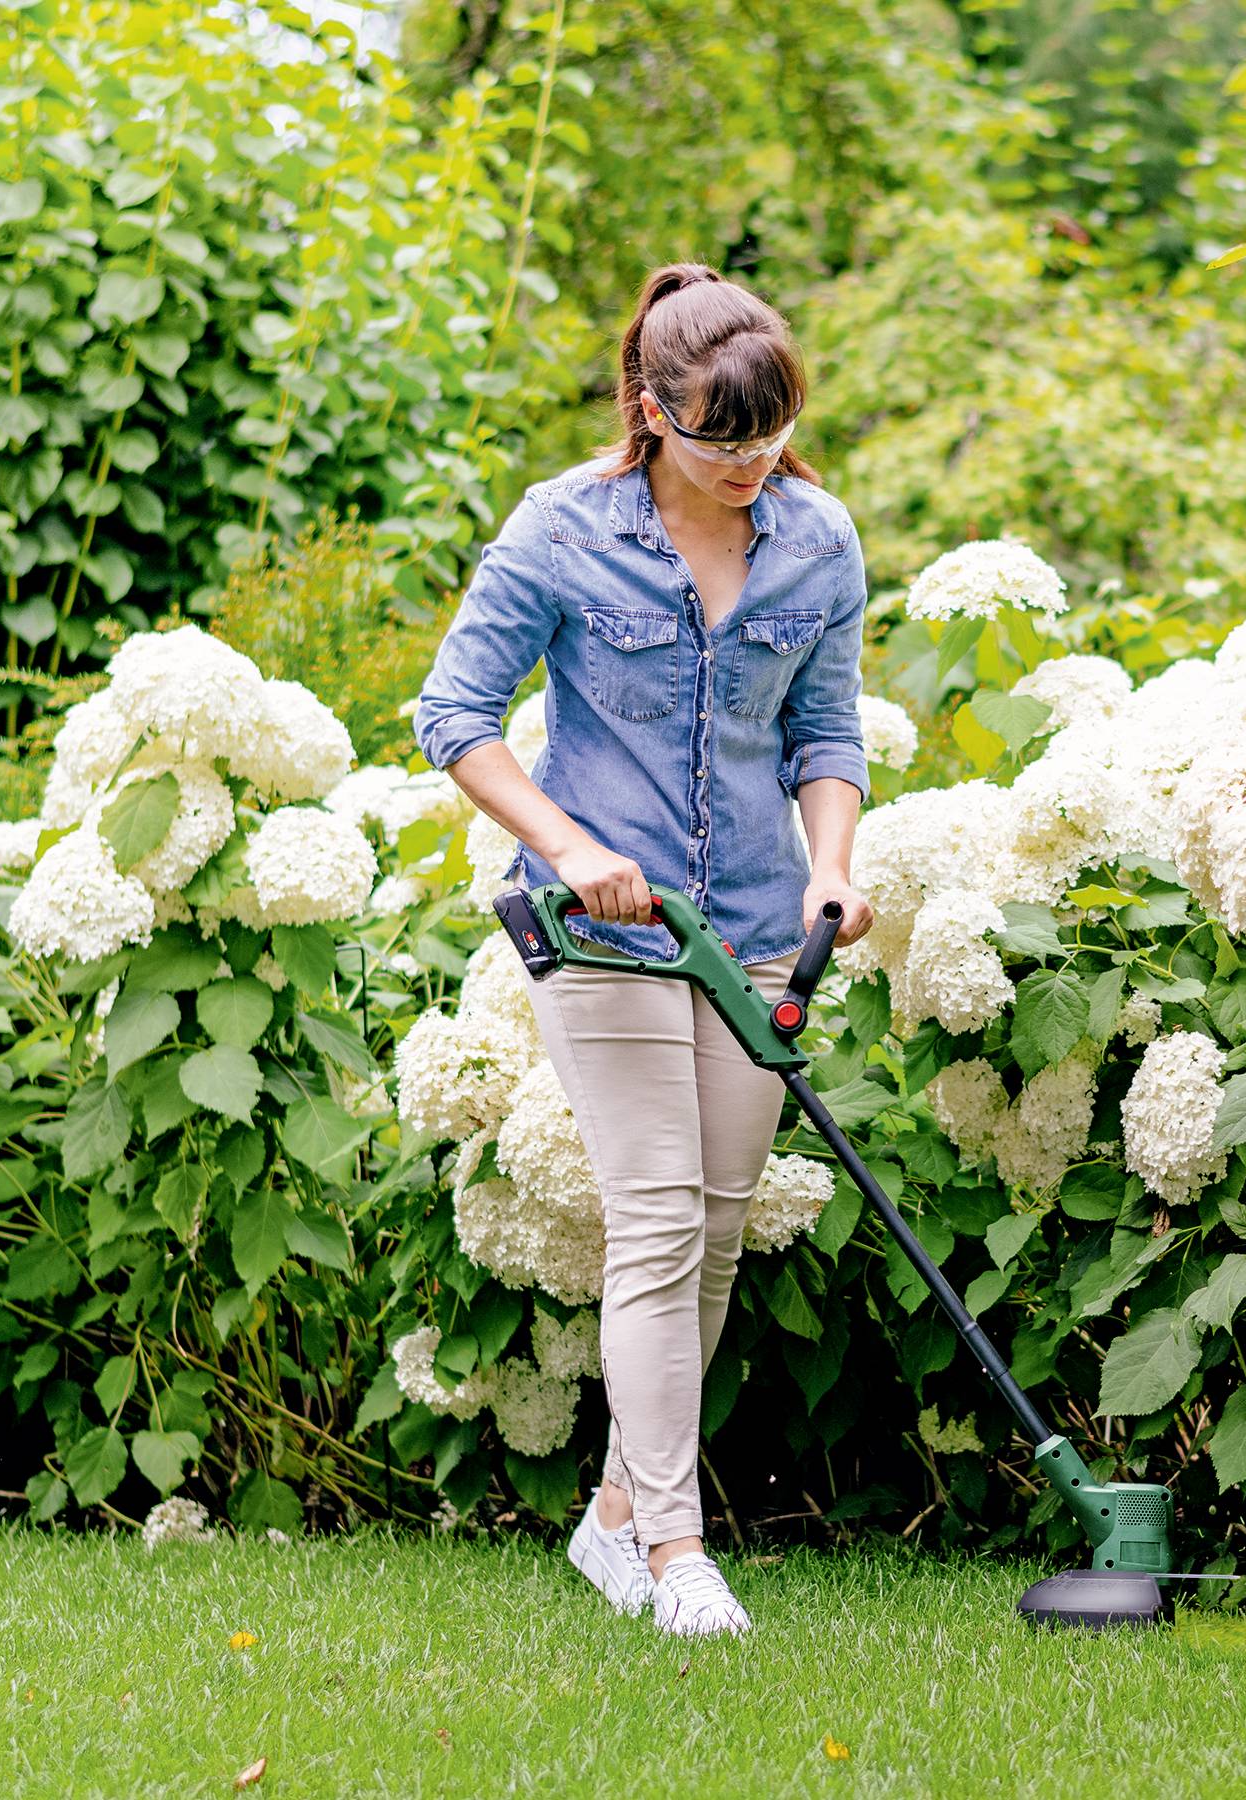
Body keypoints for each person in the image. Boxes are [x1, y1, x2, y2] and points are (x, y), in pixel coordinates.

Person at [413, 264, 873, 1639]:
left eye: (770, 435)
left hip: (748, 923)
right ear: (649, 410)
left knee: (717, 1232)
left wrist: (835, 867)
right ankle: (676, 1549)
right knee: (661, 1214)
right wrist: (568, 847)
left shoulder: (819, 540)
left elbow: (827, 734)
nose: (751, 464)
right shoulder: (563, 530)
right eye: (721, 438)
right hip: (598, 923)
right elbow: (455, 713)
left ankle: (611, 1519)